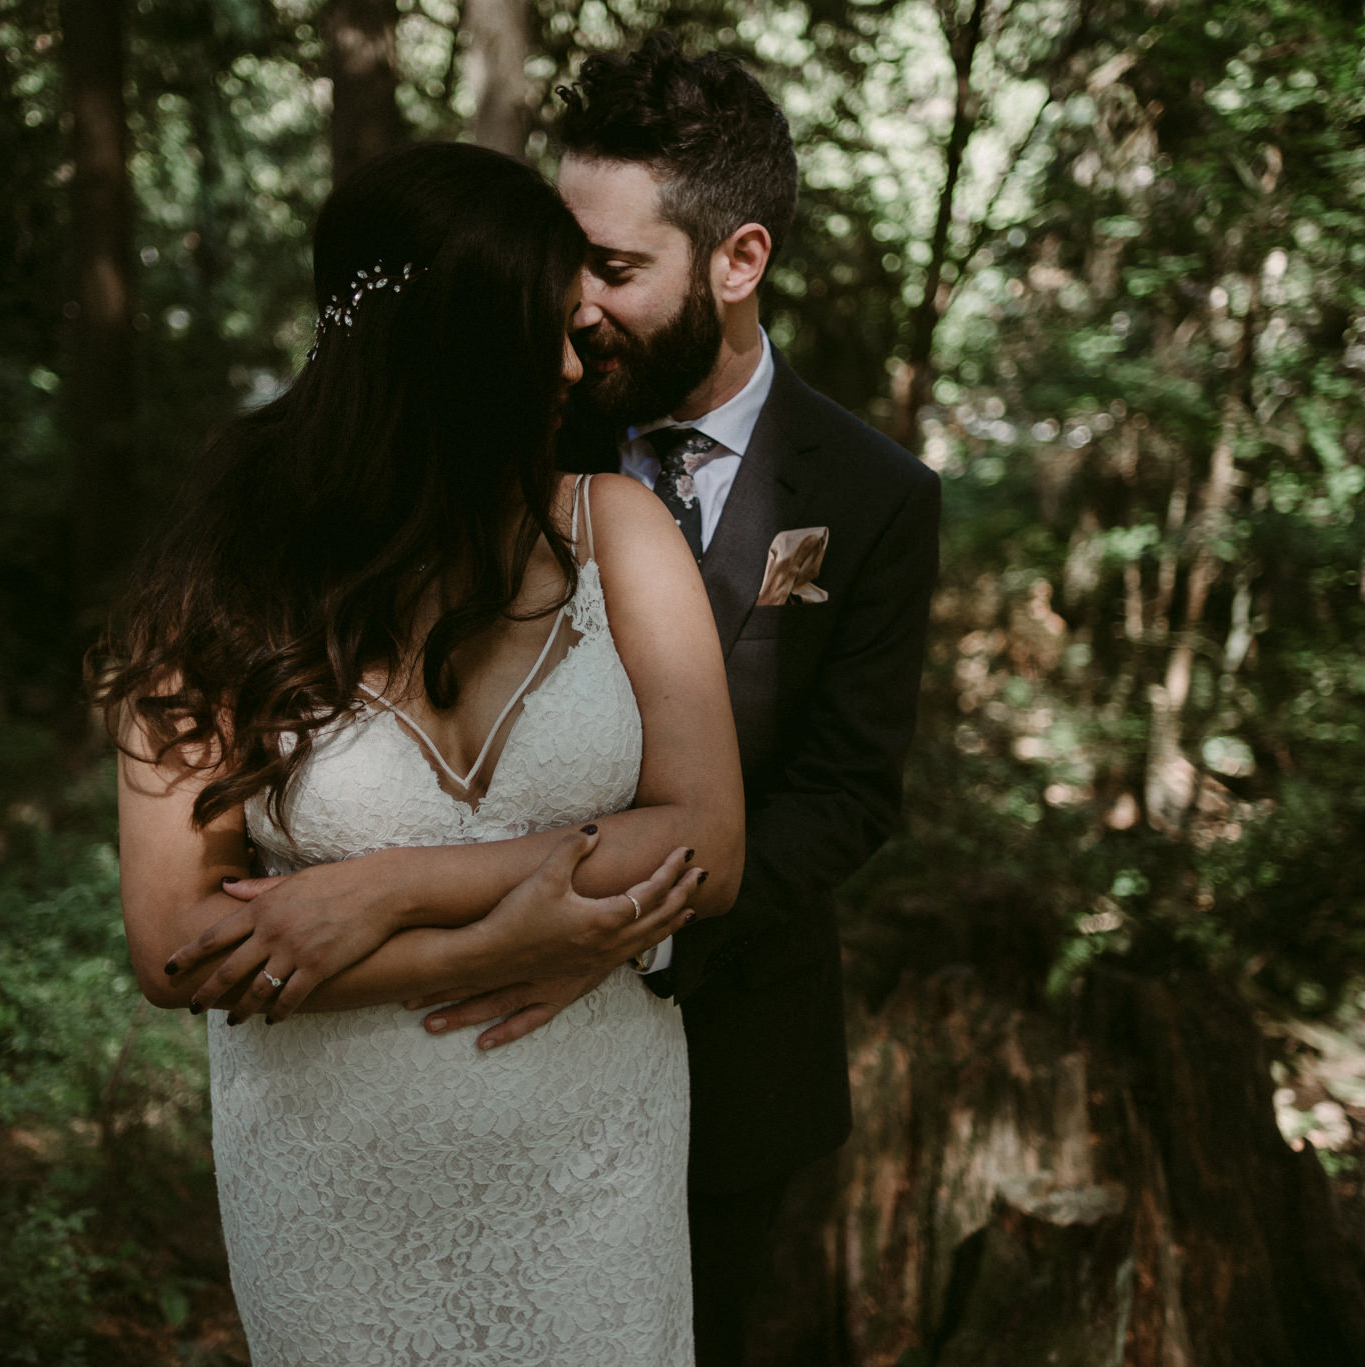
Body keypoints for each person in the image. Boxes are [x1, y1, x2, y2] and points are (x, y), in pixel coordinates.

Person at [96, 141, 743, 1366]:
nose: (573, 361)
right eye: (538, 330)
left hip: (593, 1168)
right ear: (438, 350)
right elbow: (175, 944)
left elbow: (707, 839)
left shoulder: (615, 529)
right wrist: (504, 940)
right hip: (334, 1181)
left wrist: (384, 887)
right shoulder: (219, 580)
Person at [524, 33, 941, 1366]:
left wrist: (638, 919)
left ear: (739, 259)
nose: (574, 301)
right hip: (496, 1031)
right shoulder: (523, 437)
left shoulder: (876, 497)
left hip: (732, 1055)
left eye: (615, 266)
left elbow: (849, 792)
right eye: (563, 254)